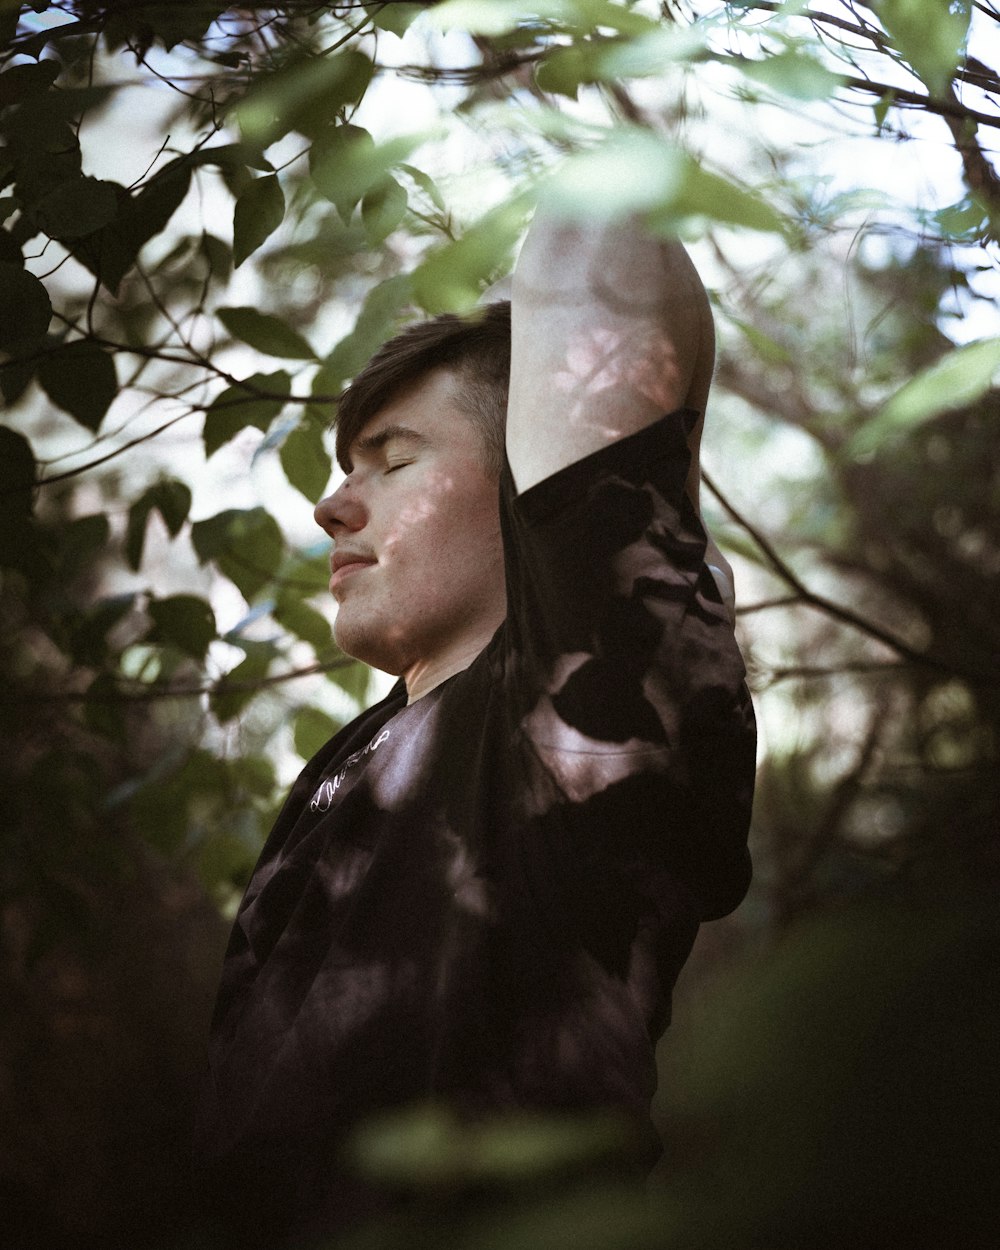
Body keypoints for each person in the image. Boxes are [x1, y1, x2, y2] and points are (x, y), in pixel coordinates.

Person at [193, 209, 755, 1247]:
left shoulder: (575, 709)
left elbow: (601, 235)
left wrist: (544, 60)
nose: (331, 504)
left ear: (523, 489)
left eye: (391, 458)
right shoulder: (348, 761)